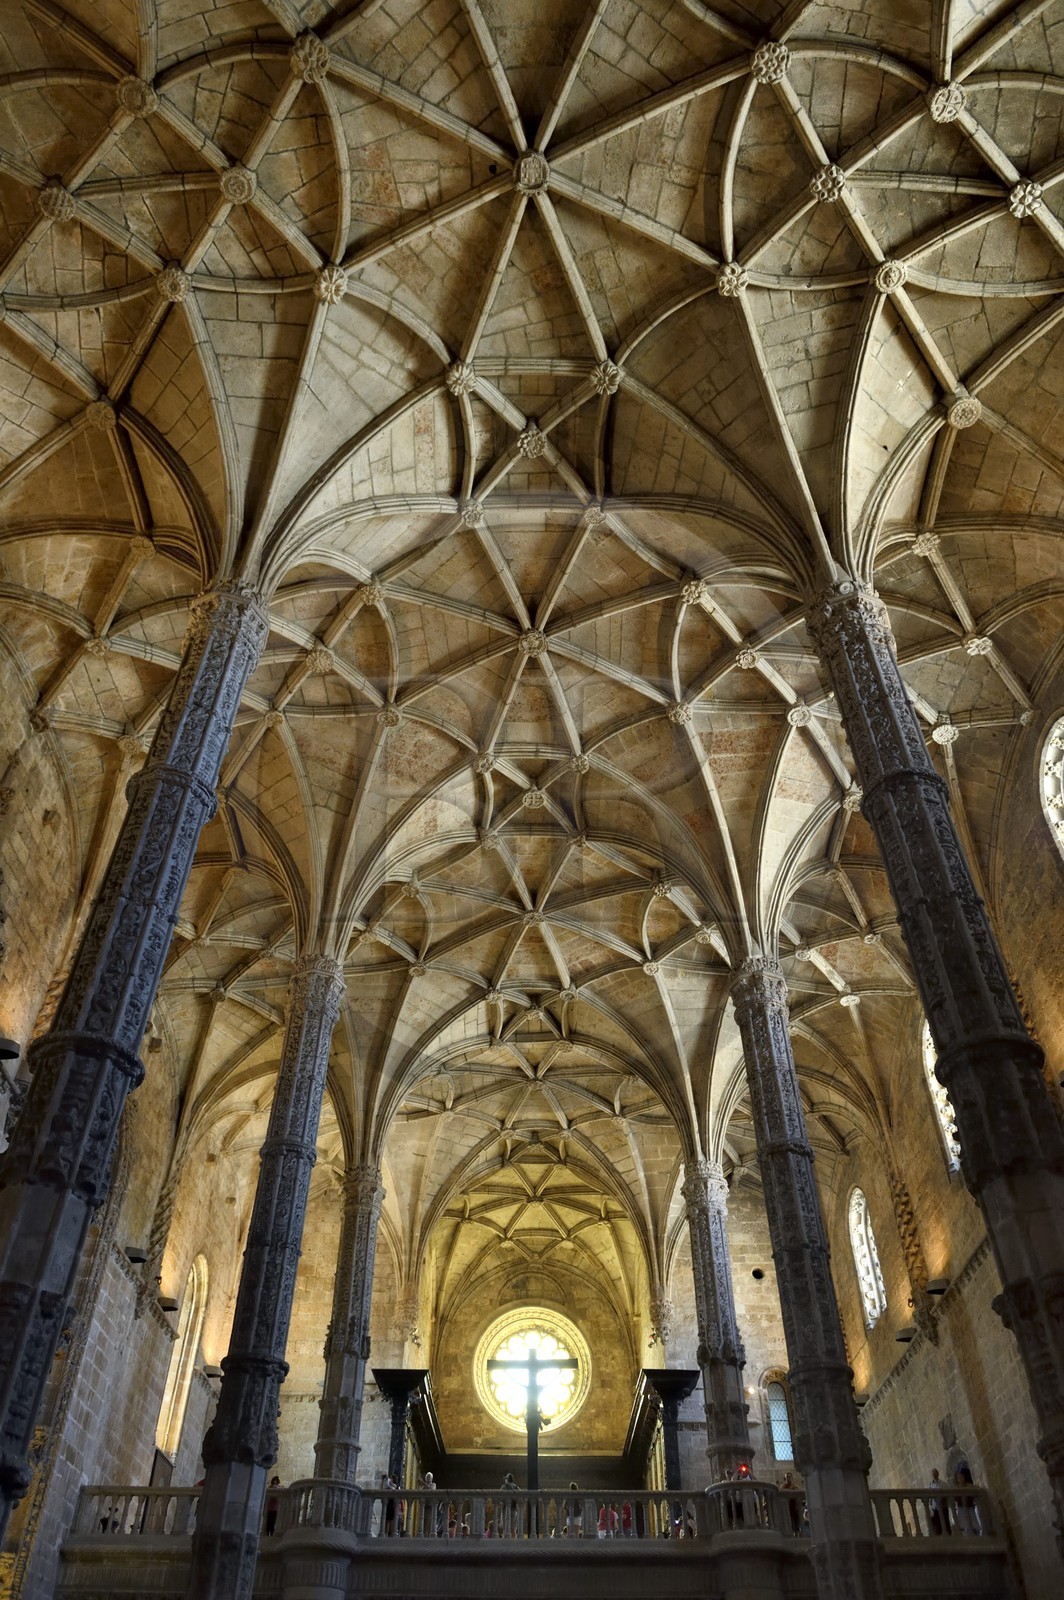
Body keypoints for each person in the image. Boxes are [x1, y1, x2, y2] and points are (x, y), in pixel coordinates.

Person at [928, 1467, 945, 1535]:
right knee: (937, 1524)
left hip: (942, 1506)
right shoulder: (931, 1484)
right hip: (935, 1508)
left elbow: (946, 1493)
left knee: (944, 1522)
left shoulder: (943, 1483)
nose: (934, 1475)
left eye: (935, 1473)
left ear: (938, 1474)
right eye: (933, 1474)